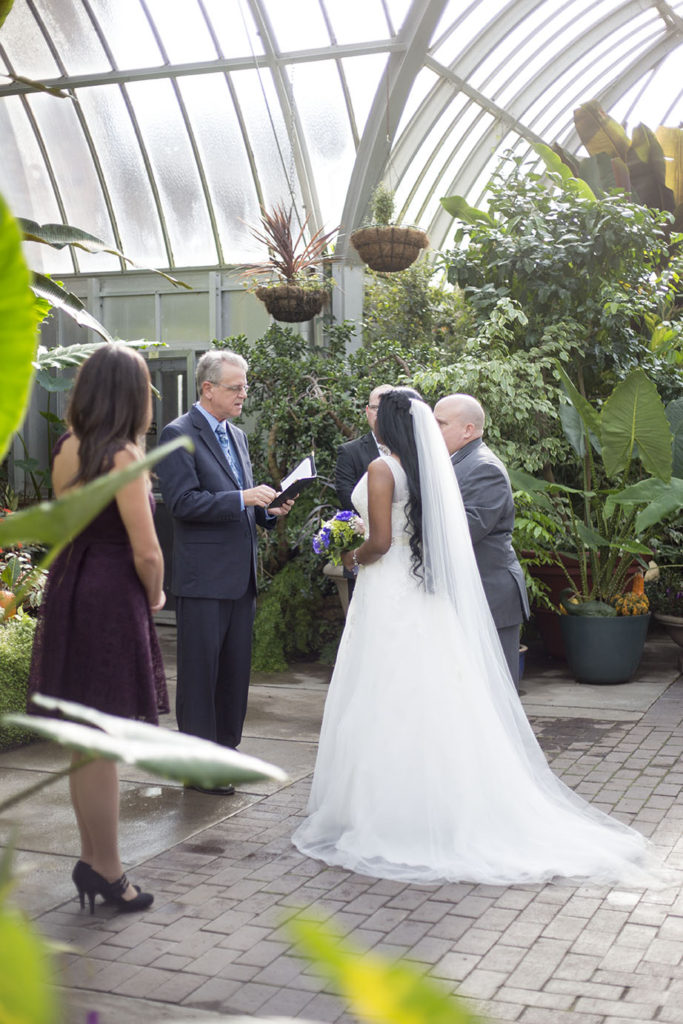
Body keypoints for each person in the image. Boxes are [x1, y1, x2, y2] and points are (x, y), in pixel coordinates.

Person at [292, 388, 662, 886]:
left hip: (442, 588)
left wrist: (350, 552)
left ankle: (437, 804)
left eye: (379, 410)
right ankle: (427, 798)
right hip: (418, 588)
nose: (371, 415)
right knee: (433, 694)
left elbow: (416, 535)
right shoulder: (424, 467)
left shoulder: (455, 467)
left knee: (453, 695)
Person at [28, 343, 167, 914]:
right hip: (110, 595)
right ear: (133, 397)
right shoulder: (124, 457)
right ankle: (108, 871)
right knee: (103, 743)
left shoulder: (67, 447)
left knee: (84, 744)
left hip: (70, 586)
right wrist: (155, 593)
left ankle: (93, 861)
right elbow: (147, 550)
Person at [156, 350, 292, 794]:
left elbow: (244, 505)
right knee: (200, 675)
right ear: (207, 388)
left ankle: (226, 753)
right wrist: (242, 498)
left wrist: (269, 511)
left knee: (234, 671)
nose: (243, 394)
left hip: (240, 577)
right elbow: (181, 503)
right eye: (235, 387)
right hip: (203, 579)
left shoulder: (238, 435)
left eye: (245, 386)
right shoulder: (178, 435)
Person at [434, 393, 529, 689]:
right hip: (469, 593)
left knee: (495, 692)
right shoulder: (458, 461)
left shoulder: (483, 467)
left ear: (468, 430)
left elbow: (465, 530)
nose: (432, 431)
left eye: (441, 424)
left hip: (490, 596)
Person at [335, 384, 393, 512]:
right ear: (367, 411)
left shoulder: (412, 449)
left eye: (385, 408)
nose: (379, 413)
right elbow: (348, 501)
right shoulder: (349, 452)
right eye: (375, 408)